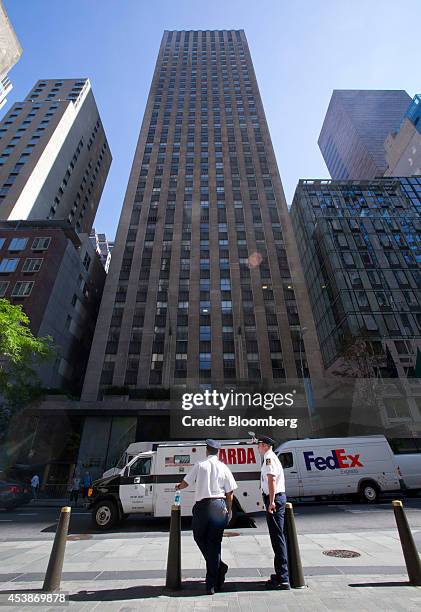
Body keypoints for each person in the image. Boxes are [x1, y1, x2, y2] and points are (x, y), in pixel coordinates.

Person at [175, 439, 237, 595]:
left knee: (198, 537)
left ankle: (216, 575)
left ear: (206, 450)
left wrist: (178, 486)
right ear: (218, 452)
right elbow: (230, 492)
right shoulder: (224, 467)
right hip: (219, 506)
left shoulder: (200, 465)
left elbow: (186, 482)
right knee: (214, 544)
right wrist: (229, 511)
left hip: (202, 507)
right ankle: (213, 581)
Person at [257, 434, 290, 590]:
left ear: (264, 445)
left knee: (277, 539)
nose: (257, 447)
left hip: (274, 499)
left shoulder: (269, 458)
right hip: (276, 498)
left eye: (259, 445)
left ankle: (283, 578)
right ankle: (281, 573)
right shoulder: (270, 458)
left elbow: (271, 479)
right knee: (277, 538)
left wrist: (271, 502)